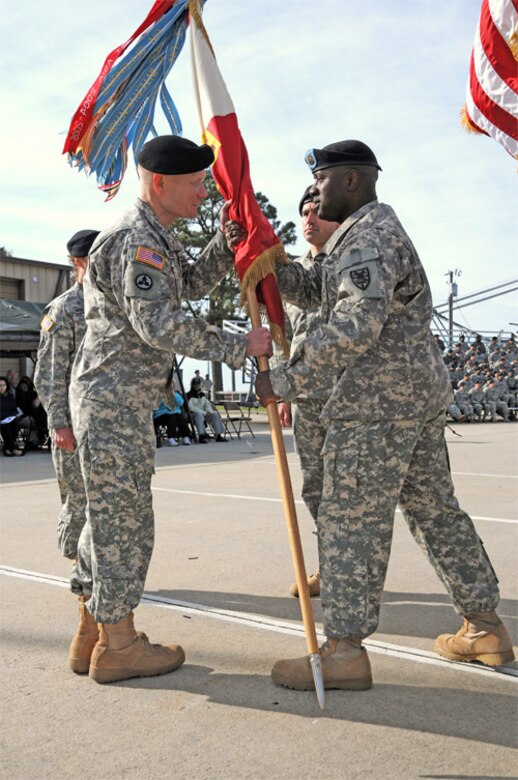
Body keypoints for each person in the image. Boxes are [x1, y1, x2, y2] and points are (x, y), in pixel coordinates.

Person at [255, 139, 514, 692]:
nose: (316, 190)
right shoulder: (363, 236)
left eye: (322, 180)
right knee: (435, 512)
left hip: (375, 407)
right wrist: (267, 262)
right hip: (410, 400)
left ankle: (344, 651)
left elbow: (354, 326)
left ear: (351, 181)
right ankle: (484, 625)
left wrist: (284, 380)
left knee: (352, 522)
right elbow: (320, 292)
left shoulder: (367, 238)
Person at [68, 134, 271, 684]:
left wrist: (223, 248)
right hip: (114, 401)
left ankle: (91, 632)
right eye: (196, 183)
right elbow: (157, 324)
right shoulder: (139, 240)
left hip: (114, 399)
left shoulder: (151, 235)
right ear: (160, 183)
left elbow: (185, 285)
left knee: (107, 516)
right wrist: (238, 346)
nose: (205, 192)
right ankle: (120, 646)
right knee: (123, 523)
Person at [274, 186, 339, 598]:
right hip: (307, 402)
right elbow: (285, 339)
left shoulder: (350, 266)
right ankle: (329, 569)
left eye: (317, 211)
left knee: (351, 491)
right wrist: (283, 392)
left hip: (349, 398)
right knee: (314, 488)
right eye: (303, 213)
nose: (308, 219)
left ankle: (353, 573)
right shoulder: (294, 275)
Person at [35, 229, 99, 570]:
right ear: (78, 262)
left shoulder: (111, 305)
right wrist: (59, 424)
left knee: (103, 503)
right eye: (96, 257)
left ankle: (97, 572)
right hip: (72, 428)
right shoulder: (63, 310)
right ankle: (80, 573)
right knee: (79, 500)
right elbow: (47, 375)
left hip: (103, 426)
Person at [187, 377, 227, 442]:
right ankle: (201, 436)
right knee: (199, 414)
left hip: (204, 414)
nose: (196, 385)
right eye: (195, 384)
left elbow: (207, 404)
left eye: (198, 384)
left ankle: (218, 435)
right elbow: (192, 408)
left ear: (200, 384)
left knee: (214, 413)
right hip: (193, 415)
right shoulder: (188, 395)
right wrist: (204, 412)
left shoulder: (202, 394)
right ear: (192, 385)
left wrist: (209, 411)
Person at [153, 379, 192, 447]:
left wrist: (174, 395)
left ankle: (186, 437)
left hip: (175, 414)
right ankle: (171, 438)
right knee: (172, 416)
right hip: (161, 414)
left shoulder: (176, 394)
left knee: (178, 416)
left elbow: (180, 403)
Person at [15, 375, 48, 447]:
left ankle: (38, 439)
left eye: (25, 386)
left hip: (35, 415)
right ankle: (34, 441)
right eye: (22, 386)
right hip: (23, 416)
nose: (24, 387)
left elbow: (35, 405)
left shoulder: (33, 394)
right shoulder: (17, 394)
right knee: (34, 420)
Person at [0, 376, 23, 456]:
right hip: (2, 420)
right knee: (6, 426)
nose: (2, 387)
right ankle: (12, 449)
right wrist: (7, 415)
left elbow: (14, 410)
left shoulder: (9, 396)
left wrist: (10, 415)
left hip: (8, 419)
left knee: (15, 424)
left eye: (4, 385)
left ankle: (7, 448)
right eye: (0, 385)